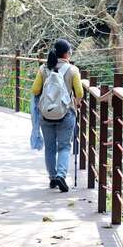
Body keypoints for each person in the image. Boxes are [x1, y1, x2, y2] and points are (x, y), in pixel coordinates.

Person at [32, 39, 83, 192]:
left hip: (46, 115)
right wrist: (77, 102)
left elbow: (35, 90)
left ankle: (53, 177)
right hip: (65, 114)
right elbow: (79, 93)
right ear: (67, 53)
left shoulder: (43, 68)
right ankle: (61, 175)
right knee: (64, 147)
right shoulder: (73, 70)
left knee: (50, 147)